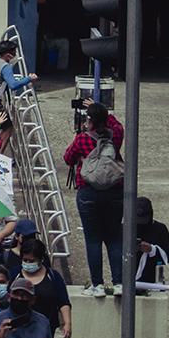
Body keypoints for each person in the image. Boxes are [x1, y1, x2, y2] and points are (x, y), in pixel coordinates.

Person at [62, 103, 127, 293]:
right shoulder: (115, 136)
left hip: (88, 191)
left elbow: (68, 158)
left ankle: (97, 284)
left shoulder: (82, 139)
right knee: (114, 238)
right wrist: (104, 113)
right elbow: (118, 126)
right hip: (115, 191)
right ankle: (118, 283)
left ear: (89, 120)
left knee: (93, 240)